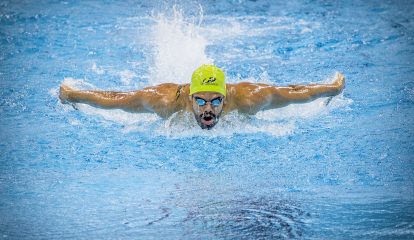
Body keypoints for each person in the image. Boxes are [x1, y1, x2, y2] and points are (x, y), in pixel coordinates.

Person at [59, 64, 345, 129]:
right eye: (200, 100)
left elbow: (293, 92)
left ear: (225, 98)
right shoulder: (165, 101)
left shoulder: (247, 99)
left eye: (216, 100)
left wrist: (330, 89)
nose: (208, 109)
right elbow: (116, 97)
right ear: (189, 97)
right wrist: (75, 95)